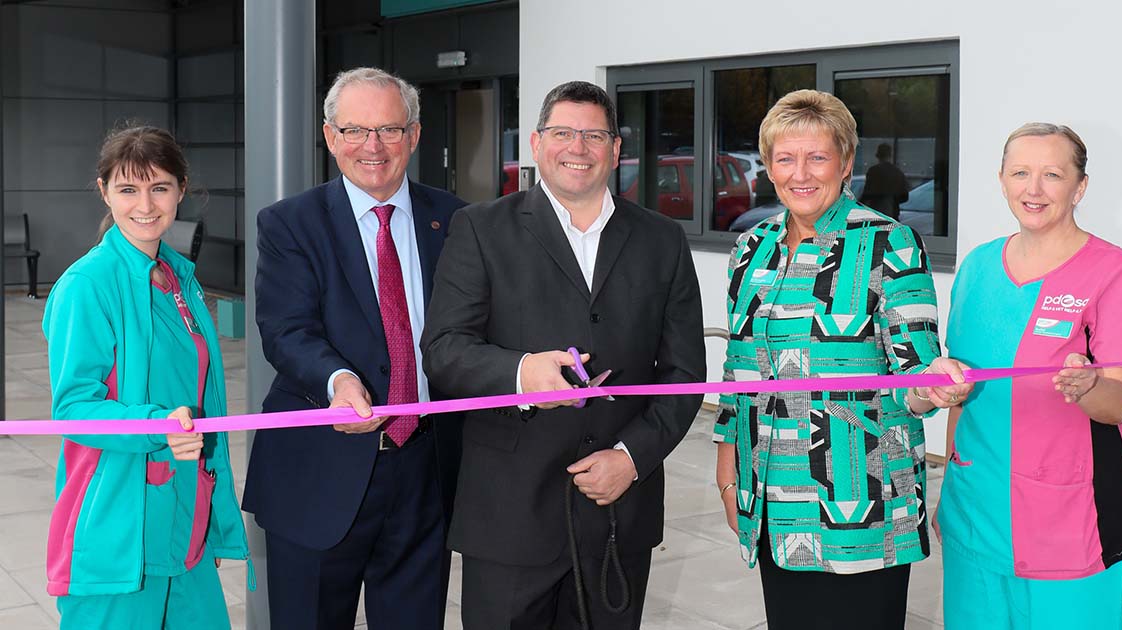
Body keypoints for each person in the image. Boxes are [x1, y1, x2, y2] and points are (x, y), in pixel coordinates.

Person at [421, 80, 705, 630]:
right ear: (535, 142)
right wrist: (523, 372)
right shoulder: (480, 228)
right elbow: (444, 351)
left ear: (616, 149)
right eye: (563, 132)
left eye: (594, 135)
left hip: (617, 510)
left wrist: (632, 457)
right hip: (509, 518)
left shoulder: (661, 240)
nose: (578, 147)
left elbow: (685, 374)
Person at [713, 89, 972, 629]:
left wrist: (934, 386)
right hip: (773, 505)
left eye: (817, 156)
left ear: (847, 163)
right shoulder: (751, 247)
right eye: (785, 158)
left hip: (861, 512)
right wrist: (728, 472)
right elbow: (739, 374)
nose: (800, 173)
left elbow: (915, 373)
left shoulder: (888, 242)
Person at [243, 67, 466, 629]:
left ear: (414, 136)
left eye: (390, 130)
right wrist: (337, 381)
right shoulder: (289, 224)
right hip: (318, 470)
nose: (373, 146)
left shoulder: (458, 221)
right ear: (330, 136)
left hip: (425, 473)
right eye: (356, 131)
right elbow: (286, 330)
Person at [937, 123, 1122, 629]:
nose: (1033, 189)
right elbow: (961, 391)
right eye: (1021, 173)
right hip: (976, 510)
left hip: (1074, 522)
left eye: (1052, 175)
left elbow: (1117, 401)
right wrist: (950, 480)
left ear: (1079, 187)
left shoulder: (1115, 272)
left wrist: (1088, 387)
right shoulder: (977, 267)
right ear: (1002, 179)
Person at [43, 125, 249, 629]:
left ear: (182, 189)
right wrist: (159, 424)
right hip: (119, 524)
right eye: (128, 189)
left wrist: (206, 515)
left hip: (183, 517)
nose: (146, 205)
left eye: (159, 187)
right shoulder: (86, 286)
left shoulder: (180, 276)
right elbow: (74, 408)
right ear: (104, 191)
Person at [858, 143, 909, 220]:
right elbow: (904, 196)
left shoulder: (874, 171)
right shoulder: (897, 172)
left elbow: (867, 194)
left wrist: (858, 205)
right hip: (893, 214)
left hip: (876, 213)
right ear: (890, 155)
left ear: (877, 155)